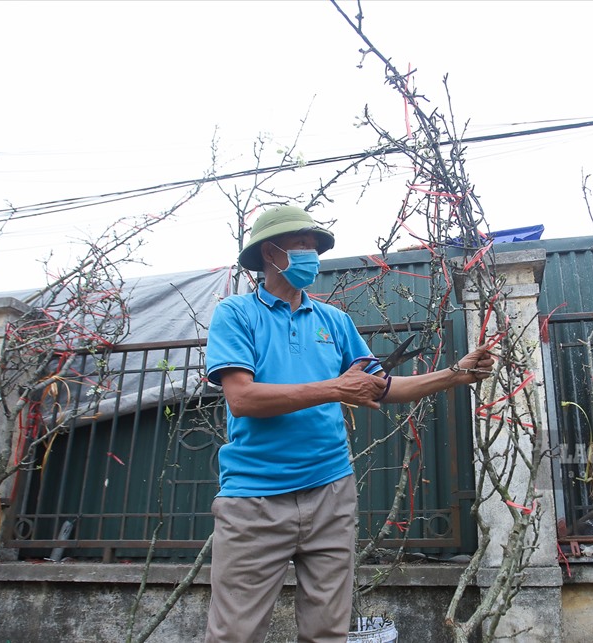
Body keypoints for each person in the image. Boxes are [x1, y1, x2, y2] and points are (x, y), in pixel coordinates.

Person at [203, 205, 494, 642]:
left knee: (328, 632)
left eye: (315, 247)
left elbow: (381, 386)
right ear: (270, 251)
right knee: (234, 634)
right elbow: (242, 398)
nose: (312, 256)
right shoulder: (237, 314)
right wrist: (337, 389)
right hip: (254, 500)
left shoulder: (333, 321)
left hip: (330, 494)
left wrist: (456, 374)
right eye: (302, 245)